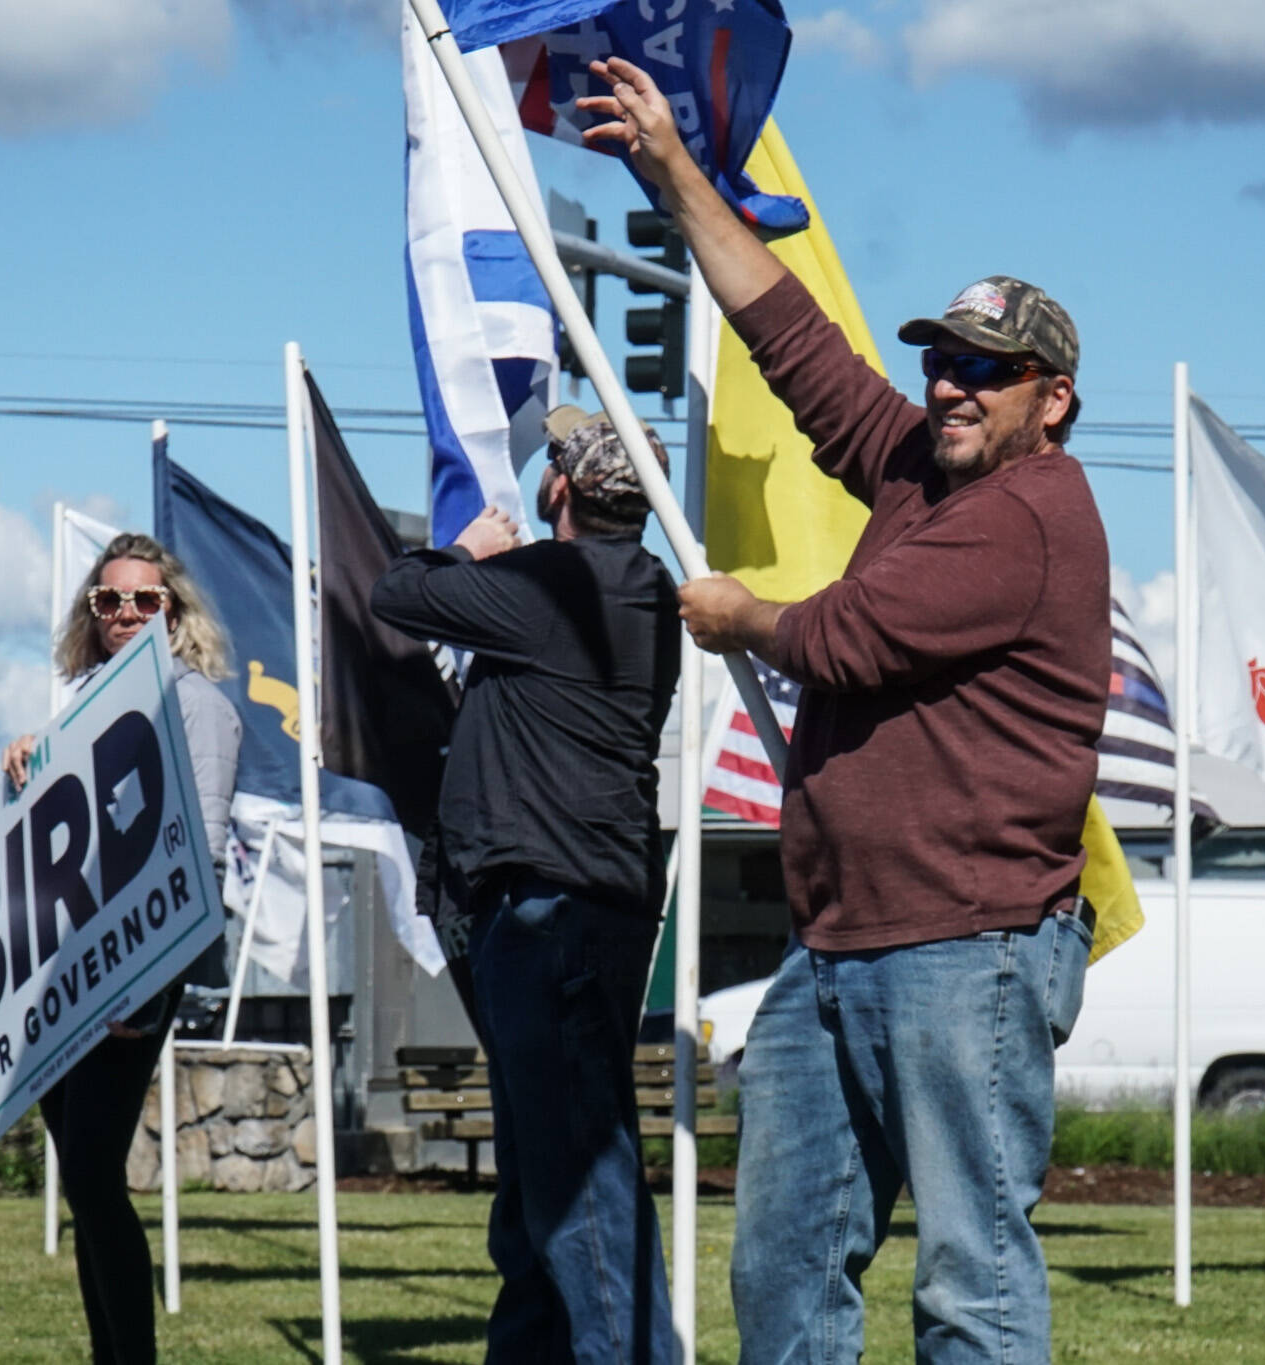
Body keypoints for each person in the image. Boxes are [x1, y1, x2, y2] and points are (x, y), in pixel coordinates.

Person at [579, 56, 1109, 1365]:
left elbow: (851, 637)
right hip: (837, 947)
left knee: (972, 1291)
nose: (952, 387)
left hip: (970, 949)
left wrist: (741, 615)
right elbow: (802, 348)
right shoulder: (923, 476)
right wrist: (675, 177)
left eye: (991, 371)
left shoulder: (1038, 513)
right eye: (943, 362)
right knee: (781, 1274)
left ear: (1053, 400)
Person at [371, 410, 680, 1365]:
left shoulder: (555, 581)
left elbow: (399, 592)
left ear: (559, 492)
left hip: (550, 918)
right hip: (585, 907)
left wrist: (465, 547)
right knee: (545, 1183)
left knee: (582, 1186)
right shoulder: (647, 589)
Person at [1, 531, 240, 1365]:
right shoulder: (84, 704)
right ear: (91, 612)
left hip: (137, 973)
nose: (127, 614)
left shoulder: (197, 704)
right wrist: (26, 765)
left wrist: (145, 991)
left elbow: (204, 856)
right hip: (68, 967)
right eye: (110, 600)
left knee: (98, 1174)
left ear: (173, 610)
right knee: (84, 1181)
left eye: (146, 599)